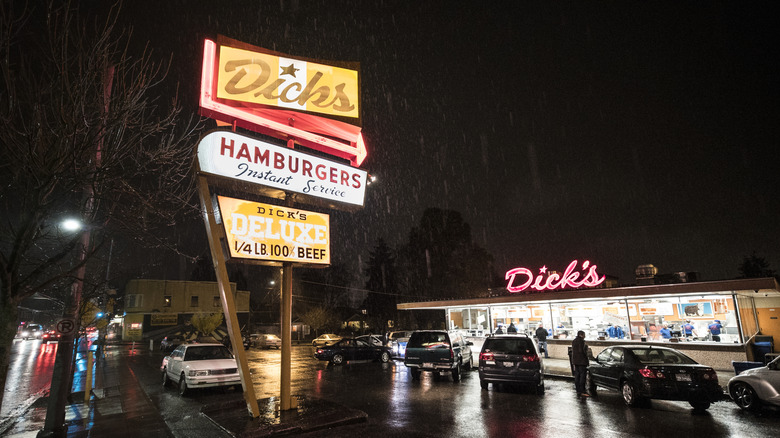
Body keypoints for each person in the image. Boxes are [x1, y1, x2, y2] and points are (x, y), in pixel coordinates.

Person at [571, 330, 590, 397]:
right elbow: (581, 351)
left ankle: (578, 390)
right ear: (581, 335)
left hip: (575, 361)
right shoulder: (581, 341)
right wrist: (586, 352)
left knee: (577, 376)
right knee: (582, 376)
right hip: (582, 361)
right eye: (584, 335)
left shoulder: (574, 341)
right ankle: (582, 391)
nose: (585, 336)